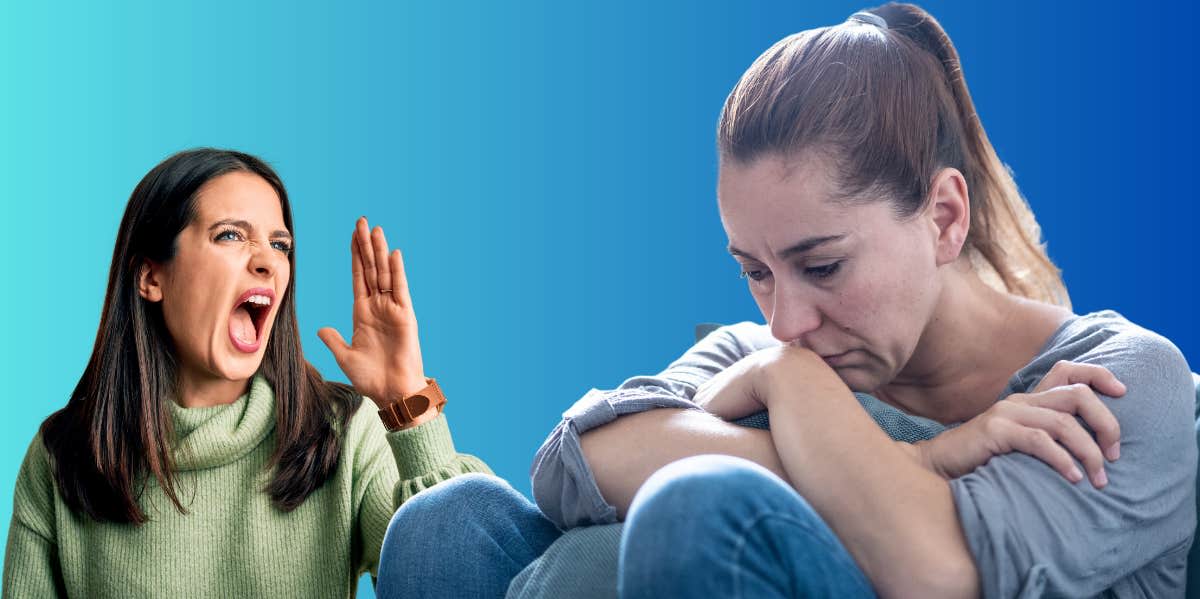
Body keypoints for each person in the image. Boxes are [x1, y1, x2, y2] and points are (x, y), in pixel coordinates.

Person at [380, 3, 1196, 598]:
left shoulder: (1114, 382)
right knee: (446, 524)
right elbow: (573, 462)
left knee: (695, 508)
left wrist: (795, 395)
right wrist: (918, 458)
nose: (786, 322)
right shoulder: (768, 352)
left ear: (944, 216)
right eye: (755, 271)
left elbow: (934, 568)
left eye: (823, 265)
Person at [2, 148, 491, 598]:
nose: (268, 262)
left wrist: (406, 398)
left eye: (280, 245)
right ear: (151, 277)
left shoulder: (342, 433)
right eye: (231, 235)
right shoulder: (61, 457)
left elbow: (473, 581)